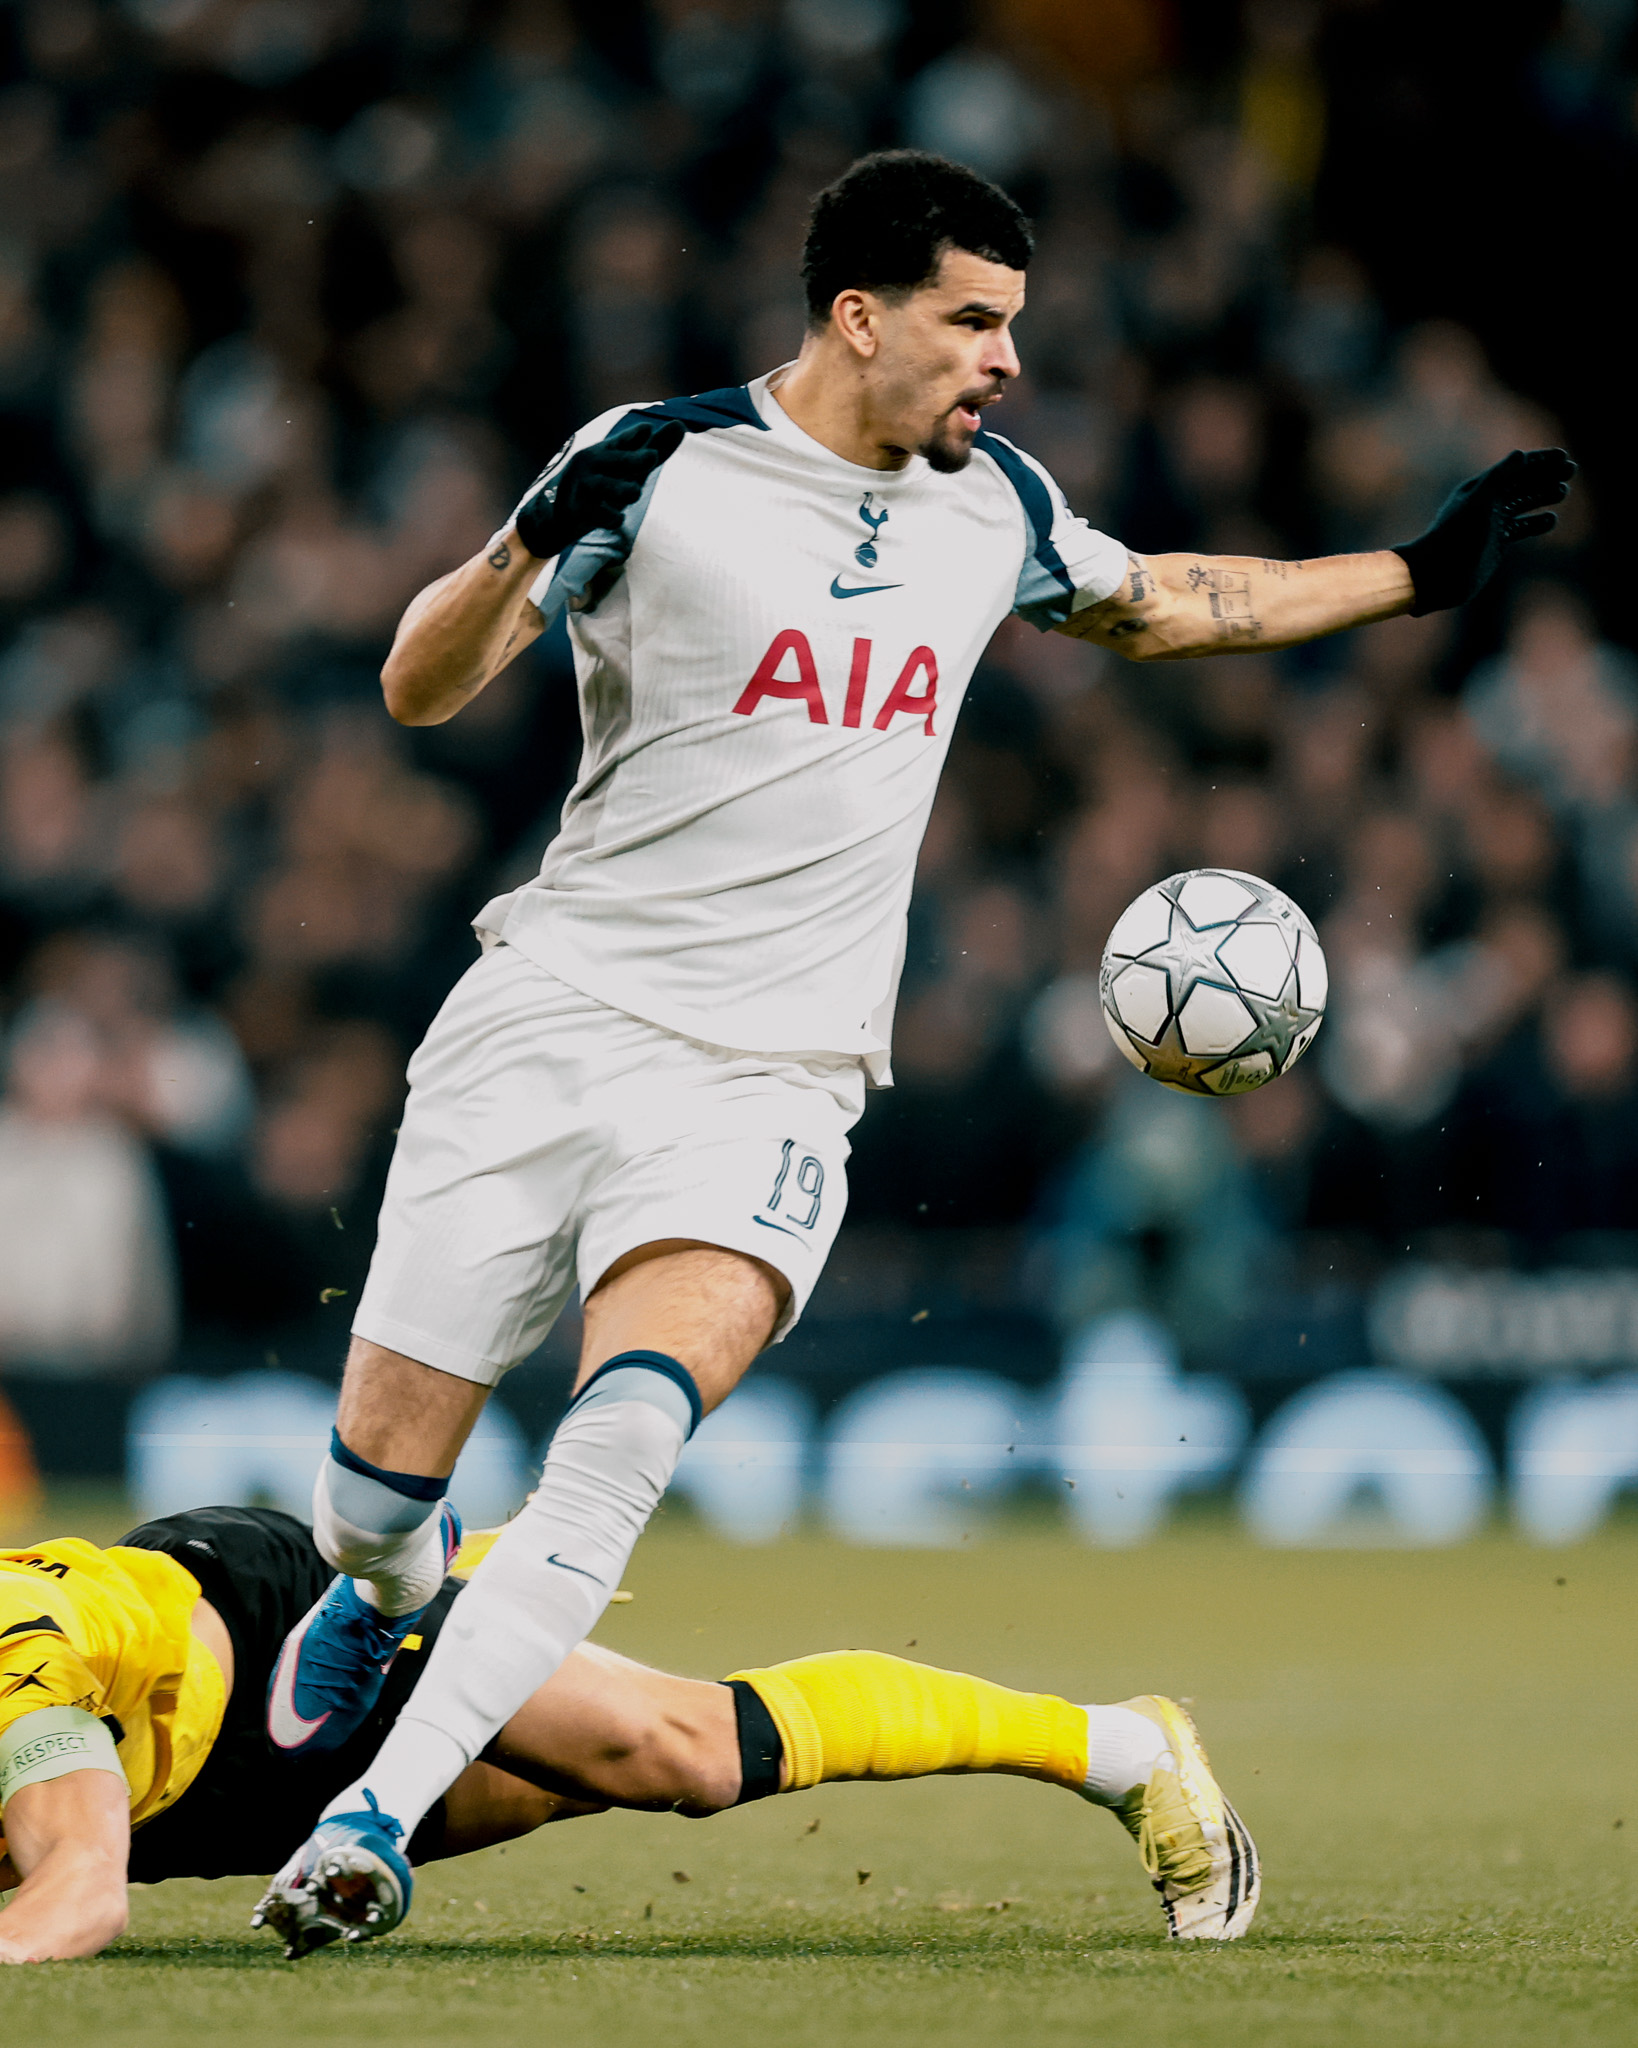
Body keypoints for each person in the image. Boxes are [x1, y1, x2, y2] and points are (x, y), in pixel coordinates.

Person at [259, 149, 1574, 1954]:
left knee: (619, 1436)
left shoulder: (996, 507)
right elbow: (418, 687)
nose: (1004, 360)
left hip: (771, 1079)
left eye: (1011, 326)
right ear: (858, 317)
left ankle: (368, 1822)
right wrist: (520, 544)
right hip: (546, 1020)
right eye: (973, 321)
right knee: (365, 1502)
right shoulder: (657, 462)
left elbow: (1167, 599)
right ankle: (386, 1585)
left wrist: (1413, 574)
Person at [0, 1503, 1253, 1961]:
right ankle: (468, 1588)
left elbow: (81, 1893)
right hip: (186, 1789)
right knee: (566, 1781)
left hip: (265, 1655)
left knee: (679, 1752)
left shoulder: (17, 1667)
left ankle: (1121, 1746)